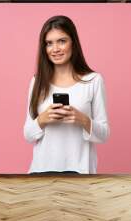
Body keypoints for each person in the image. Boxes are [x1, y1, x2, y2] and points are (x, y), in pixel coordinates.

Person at [23, 15, 110, 174]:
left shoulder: (93, 80)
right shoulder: (37, 81)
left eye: (62, 41)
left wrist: (82, 119)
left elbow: (104, 135)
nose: (55, 49)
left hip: (80, 171)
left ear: (73, 43)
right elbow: (28, 134)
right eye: (49, 43)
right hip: (41, 170)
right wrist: (42, 119)